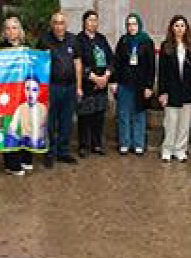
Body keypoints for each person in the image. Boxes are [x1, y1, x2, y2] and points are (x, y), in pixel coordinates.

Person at [36, 11, 78, 167]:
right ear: (51, 25)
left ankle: (64, 151)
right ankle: (49, 152)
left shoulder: (73, 39)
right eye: (56, 23)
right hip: (52, 87)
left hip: (70, 87)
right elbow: (38, 64)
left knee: (67, 121)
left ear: (66, 25)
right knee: (50, 121)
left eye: (62, 23)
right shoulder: (44, 41)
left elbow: (78, 62)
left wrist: (79, 86)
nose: (59, 26)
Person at [111, 13, 156, 155]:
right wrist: (113, 81)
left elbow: (151, 66)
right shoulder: (123, 41)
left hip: (141, 84)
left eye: (134, 24)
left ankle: (138, 143)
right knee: (123, 114)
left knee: (139, 114)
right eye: (129, 24)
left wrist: (149, 86)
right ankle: (125, 143)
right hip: (124, 83)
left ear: (139, 25)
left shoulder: (147, 41)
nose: (131, 27)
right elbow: (116, 62)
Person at [158, 15, 191, 163]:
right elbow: (161, 71)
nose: (179, 28)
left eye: (182, 25)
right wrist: (162, 92)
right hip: (171, 89)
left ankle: (180, 149)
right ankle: (167, 149)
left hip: (187, 89)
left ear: (186, 28)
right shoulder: (166, 46)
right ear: (172, 28)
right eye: (176, 26)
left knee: (184, 123)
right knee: (171, 121)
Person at [74, 10, 113, 157]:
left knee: (99, 116)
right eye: (90, 20)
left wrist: (106, 75)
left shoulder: (102, 39)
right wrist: (94, 78)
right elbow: (78, 63)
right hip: (86, 85)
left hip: (102, 86)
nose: (93, 23)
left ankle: (97, 144)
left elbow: (110, 59)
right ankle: (83, 146)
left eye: (95, 20)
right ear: (84, 22)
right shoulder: (78, 40)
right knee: (85, 117)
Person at [0, 17, 30, 173]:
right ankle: (11, 164)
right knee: (10, 126)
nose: (12, 31)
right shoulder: (0, 49)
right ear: (5, 32)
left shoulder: (28, 48)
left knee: (25, 124)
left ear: (20, 30)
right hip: (7, 95)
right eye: (8, 28)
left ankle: (26, 158)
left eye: (14, 28)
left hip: (24, 94)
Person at [8, 77, 48, 148]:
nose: (30, 93)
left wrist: (42, 140)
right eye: (27, 89)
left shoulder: (43, 108)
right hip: (25, 141)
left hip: (38, 141)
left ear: (39, 92)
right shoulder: (20, 108)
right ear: (24, 90)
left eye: (34, 90)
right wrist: (18, 138)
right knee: (9, 140)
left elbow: (46, 128)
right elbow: (12, 128)